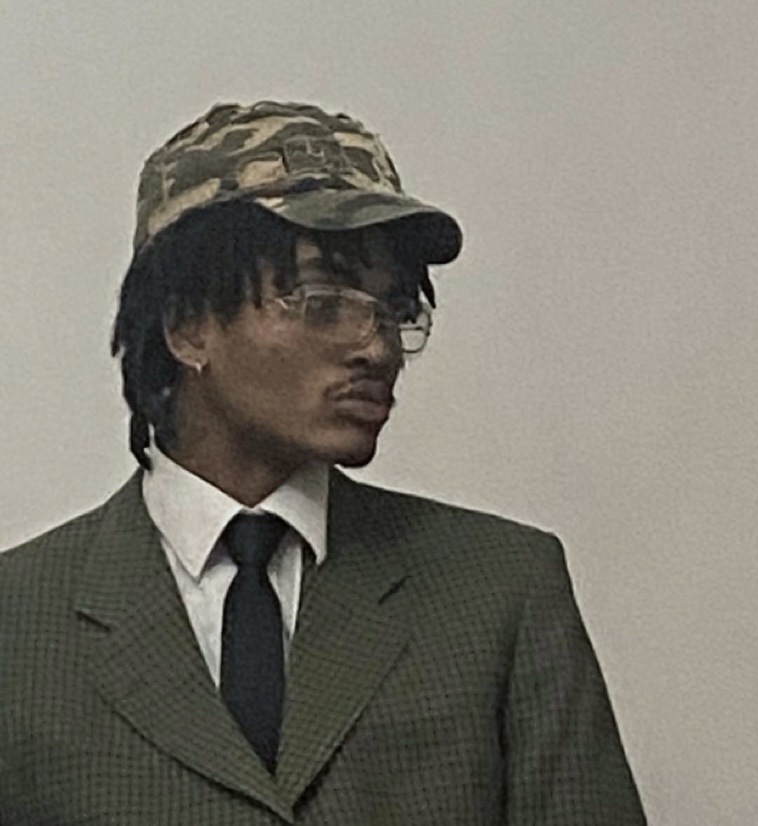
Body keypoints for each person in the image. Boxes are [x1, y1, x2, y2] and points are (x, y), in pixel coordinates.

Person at [0, 101, 647, 825]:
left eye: (394, 308)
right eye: (322, 301)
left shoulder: (499, 590)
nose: (378, 347)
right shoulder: (18, 622)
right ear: (188, 327)